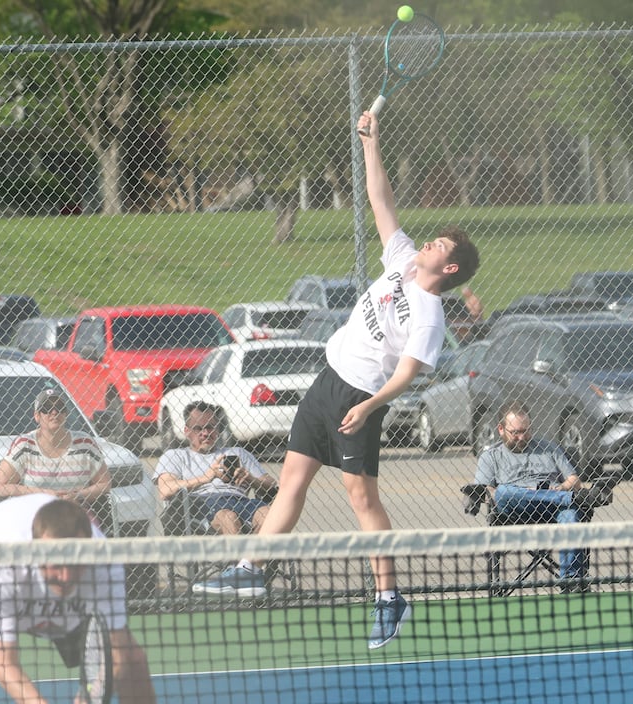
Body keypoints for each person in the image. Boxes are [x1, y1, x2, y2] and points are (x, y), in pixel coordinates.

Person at [194, 110, 480, 651]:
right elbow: (381, 202)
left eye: (441, 245)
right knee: (292, 481)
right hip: (327, 383)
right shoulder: (401, 261)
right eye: (435, 239)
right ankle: (253, 566)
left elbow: (408, 373)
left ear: (450, 269)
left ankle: (389, 598)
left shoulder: (429, 314)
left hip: (358, 400)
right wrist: (372, 142)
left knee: (361, 499)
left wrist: (371, 406)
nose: (430, 243)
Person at [0, 493, 156, 704]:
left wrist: (88, 697)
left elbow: (117, 654)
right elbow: (5, 665)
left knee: (133, 661)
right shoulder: (1, 566)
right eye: (57, 565)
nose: (66, 577)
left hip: (54, 592)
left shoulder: (105, 565)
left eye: (75, 565)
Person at [474, 401, 615, 585]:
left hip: (553, 508)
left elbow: (574, 480)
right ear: (501, 429)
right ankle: (572, 499)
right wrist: (527, 492)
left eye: (526, 431)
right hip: (516, 510)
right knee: (503, 492)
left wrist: (561, 488)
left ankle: (571, 582)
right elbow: (486, 491)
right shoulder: (490, 456)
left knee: (571, 515)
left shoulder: (549, 447)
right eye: (515, 432)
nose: (522, 437)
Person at [154, 400, 277, 535]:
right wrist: (206, 478)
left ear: (217, 429)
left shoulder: (237, 452)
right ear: (186, 431)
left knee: (270, 516)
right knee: (229, 518)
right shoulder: (176, 456)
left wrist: (251, 479)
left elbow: (271, 483)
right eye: (198, 428)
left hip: (241, 500)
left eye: (210, 427)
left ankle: (256, 555)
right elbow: (165, 490)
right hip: (204, 503)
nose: (206, 433)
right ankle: (242, 555)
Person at [0, 388, 112, 507]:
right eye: (47, 408)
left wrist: (78, 495)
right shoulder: (25, 444)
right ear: (37, 416)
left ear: (65, 414)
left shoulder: (85, 443)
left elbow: (105, 483)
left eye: (60, 408)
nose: (54, 412)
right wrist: (44, 494)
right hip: (36, 516)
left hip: (76, 515)